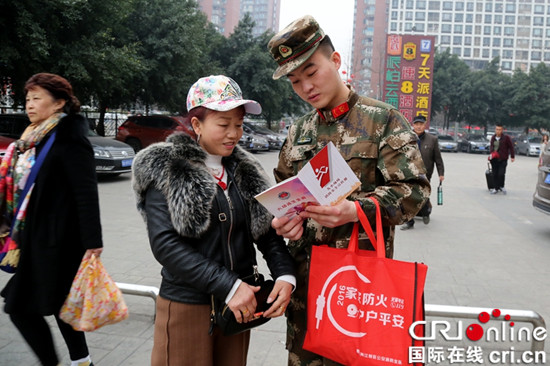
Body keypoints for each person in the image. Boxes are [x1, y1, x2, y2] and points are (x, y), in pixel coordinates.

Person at [266, 15, 430, 365]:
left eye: (311, 72)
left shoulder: (382, 120)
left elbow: (414, 191)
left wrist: (356, 210)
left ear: (336, 61)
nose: (306, 87)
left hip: (358, 291)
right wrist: (283, 222)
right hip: (307, 296)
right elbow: (282, 195)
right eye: (295, 81)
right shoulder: (299, 132)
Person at [132, 75, 296, 366]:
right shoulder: (167, 169)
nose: (234, 133)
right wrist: (229, 285)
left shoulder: (246, 171)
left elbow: (266, 233)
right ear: (197, 125)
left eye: (239, 124)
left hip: (239, 309)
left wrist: (285, 274)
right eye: (223, 124)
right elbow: (166, 245)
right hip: (188, 306)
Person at [0, 73, 103, 366]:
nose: (29, 105)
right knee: (61, 305)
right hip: (37, 239)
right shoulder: (33, 137)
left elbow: (86, 193)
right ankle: (82, 362)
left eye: (37, 98)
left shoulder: (69, 139)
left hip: (59, 242)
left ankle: (52, 362)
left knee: (18, 308)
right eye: (27, 99)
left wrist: (93, 243)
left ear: (58, 102)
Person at [401, 115, 444, 230]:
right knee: (408, 197)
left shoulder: (432, 140)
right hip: (409, 173)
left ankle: (425, 212)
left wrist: (441, 173)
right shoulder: (407, 138)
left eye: (421, 124)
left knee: (423, 196)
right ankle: (409, 222)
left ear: (425, 125)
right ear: (413, 125)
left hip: (425, 174)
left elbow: (438, 158)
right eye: (416, 124)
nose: (418, 126)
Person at [489, 124, 515, 194]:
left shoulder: (506, 138)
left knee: (501, 174)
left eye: (499, 129)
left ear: (502, 130)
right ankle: (495, 188)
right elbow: (491, 146)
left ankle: (502, 186)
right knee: (495, 174)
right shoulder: (493, 137)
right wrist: (491, 154)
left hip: (503, 159)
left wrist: (512, 156)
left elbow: (511, 147)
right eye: (497, 129)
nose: (498, 131)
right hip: (494, 159)